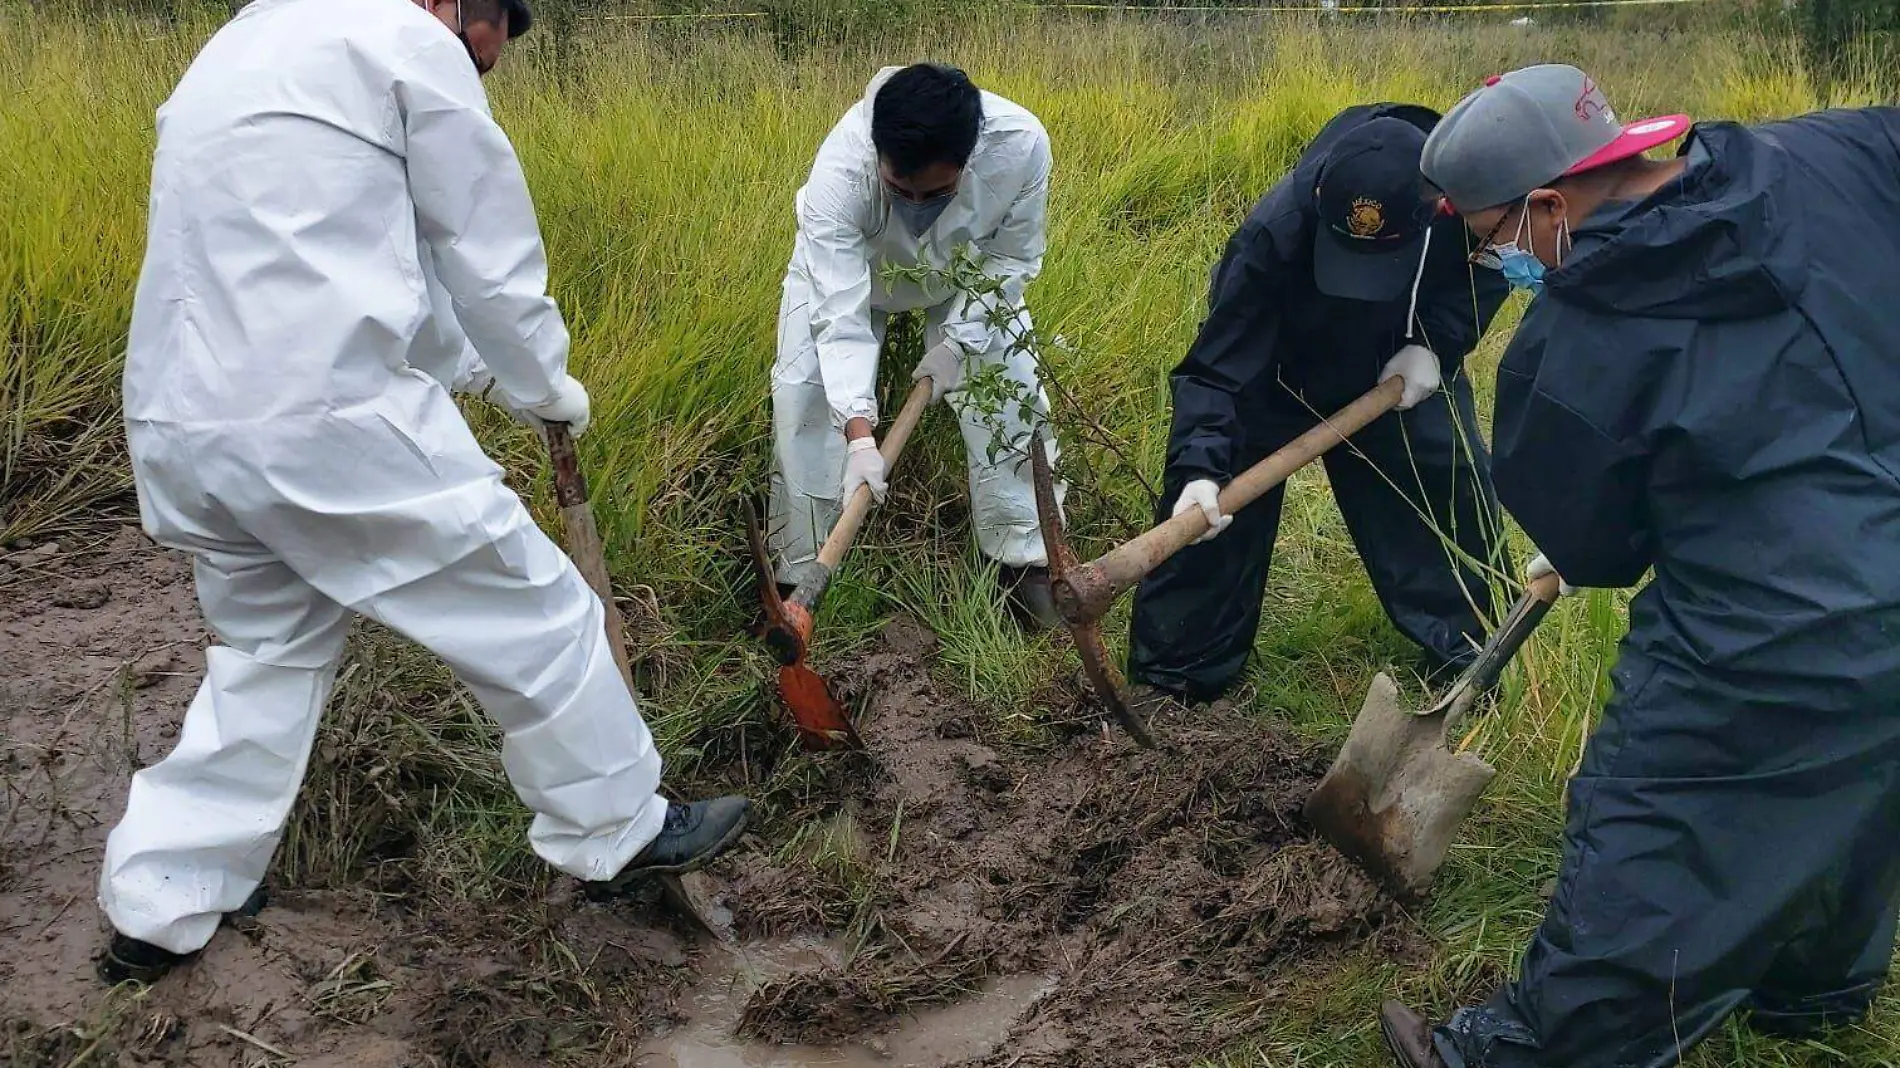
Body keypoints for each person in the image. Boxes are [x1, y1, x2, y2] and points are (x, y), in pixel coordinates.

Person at [99, 0, 750, 986]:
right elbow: (487, 258)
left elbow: (357, 266)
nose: (483, 59)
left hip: (183, 427)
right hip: (321, 424)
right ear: (458, 6)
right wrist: (543, 384)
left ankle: (164, 899)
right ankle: (618, 828)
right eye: (488, 37)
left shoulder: (244, 43)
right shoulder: (408, 44)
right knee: (542, 617)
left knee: (265, 661)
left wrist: (487, 375)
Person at [1380, 64, 1900, 1068]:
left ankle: (1531, 1054)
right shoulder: (1822, 154)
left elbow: (1597, 546)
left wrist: (1582, 536)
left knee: (1658, 815)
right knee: (1864, 766)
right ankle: (1812, 988)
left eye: (1488, 241)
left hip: (1784, 626)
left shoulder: (1571, 346)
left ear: (1543, 206)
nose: (1494, 264)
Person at [1126, 103, 1511, 705]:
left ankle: (1477, 657)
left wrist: (1436, 344)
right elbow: (1218, 366)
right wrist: (1199, 466)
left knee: (1444, 482)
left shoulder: (1467, 196)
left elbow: (1490, 262)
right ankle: (1177, 676)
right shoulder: (1272, 231)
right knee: (1210, 514)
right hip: (1277, 369)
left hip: (1397, 362)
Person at [767, 62, 1065, 629]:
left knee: (1010, 391)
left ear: (969, 157)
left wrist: (959, 345)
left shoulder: (1020, 146)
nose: (915, 203)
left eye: (936, 192)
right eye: (899, 189)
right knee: (805, 398)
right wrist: (859, 435)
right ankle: (800, 576)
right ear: (878, 154)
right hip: (855, 274)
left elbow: (1011, 260)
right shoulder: (842, 171)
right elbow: (839, 314)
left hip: (961, 273)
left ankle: (1023, 559)